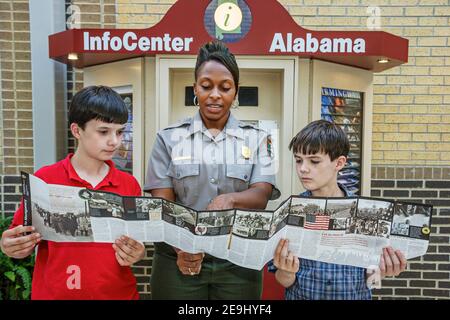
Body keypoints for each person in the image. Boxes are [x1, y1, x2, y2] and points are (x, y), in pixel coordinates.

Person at [144, 40, 280, 299]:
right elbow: (162, 203)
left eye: (225, 87)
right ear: (195, 88)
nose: (215, 94)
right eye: (206, 86)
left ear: (236, 91)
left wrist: (230, 199)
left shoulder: (262, 139)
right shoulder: (167, 139)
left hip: (237, 259)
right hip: (177, 258)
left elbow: (262, 194)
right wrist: (181, 247)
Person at [0, 85, 145, 299]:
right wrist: (10, 245)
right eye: (104, 131)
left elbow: (137, 242)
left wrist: (137, 252)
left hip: (118, 294)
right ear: (77, 130)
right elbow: (19, 239)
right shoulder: (45, 179)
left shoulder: (129, 184)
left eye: (120, 131)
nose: (115, 141)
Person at [269, 120, 407, 300]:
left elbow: (373, 282)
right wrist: (286, 272)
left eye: (314, 161)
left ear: (339, 163)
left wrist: (383, 271)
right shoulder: (289, 210)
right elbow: (283, 281)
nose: (303, 168)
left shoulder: (366, 212)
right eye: (298, 160)